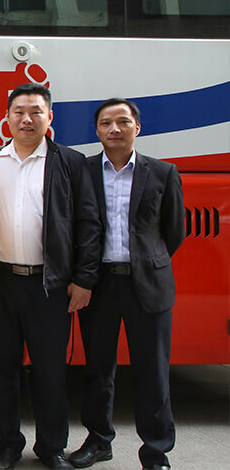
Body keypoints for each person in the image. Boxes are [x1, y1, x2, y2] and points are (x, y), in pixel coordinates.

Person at [0, 83, 102, 470]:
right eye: (19, 111)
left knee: (50, 371)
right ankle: (7, 445)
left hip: (49, 285)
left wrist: (83, 279)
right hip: (0, 283)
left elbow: (89, 224)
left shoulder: (70, 162)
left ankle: (51, 447)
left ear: (49, 117)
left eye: (35, 111)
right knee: (2, 369)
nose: (27, 119)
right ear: (6, 117)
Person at [69, 98, 184, 470]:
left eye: (122, 121)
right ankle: (98, 440)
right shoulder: (83, 171)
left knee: (153, 372)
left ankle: (156, 451)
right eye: (106, 123)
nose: (114, 129)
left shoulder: (163, 172)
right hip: (99, 283)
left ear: (138, 127)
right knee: (97, 370)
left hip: (147, 285)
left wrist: (147, 261)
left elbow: (174, 231)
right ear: (97, 130)